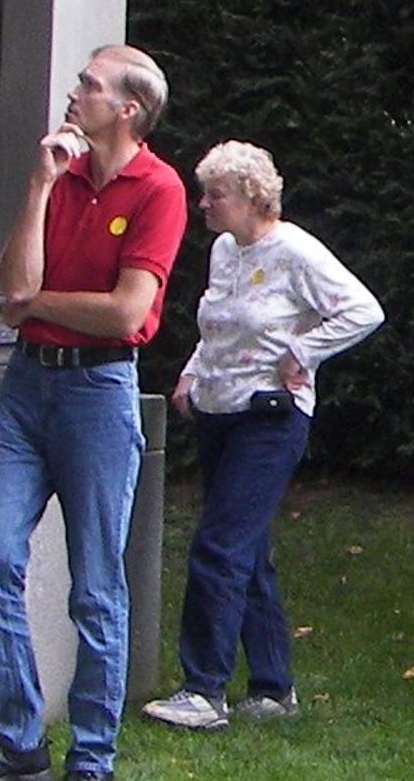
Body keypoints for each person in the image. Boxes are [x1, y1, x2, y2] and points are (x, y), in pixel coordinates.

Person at [0, 46, 189, 781]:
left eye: (90, 85)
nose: (74, 94)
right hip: (27, 387)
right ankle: (20, 742)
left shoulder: (159, 190)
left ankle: (92, 755)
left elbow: (124, 312)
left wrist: (40, 302)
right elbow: (12, 284)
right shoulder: (63, 175)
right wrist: (40, 182)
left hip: (98, 392)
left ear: (129, 110)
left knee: (96, 585)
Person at [144, 142, 385, 731]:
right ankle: (274, 688)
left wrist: (303, 351)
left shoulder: (297, 251)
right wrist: (193, 373)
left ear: (253, 197)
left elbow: (362, 310)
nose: (204, 205)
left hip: (270, 416)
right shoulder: (225, 250)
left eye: (215, 195)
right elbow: (219, 319)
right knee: (246, 549)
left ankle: (204, 690)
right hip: (219, 410)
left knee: (219, 545)